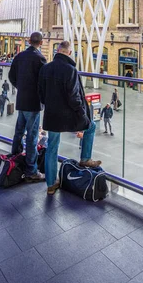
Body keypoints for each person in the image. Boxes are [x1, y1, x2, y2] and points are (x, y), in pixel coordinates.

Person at [39, 41, 101, 196]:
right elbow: (74, 97)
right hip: (68, 115)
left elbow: (41, 93)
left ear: (57, 51)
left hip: (52, 115)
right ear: (69, 53)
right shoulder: (70, 70)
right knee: (91, 126)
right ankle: (85, 158)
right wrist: (82, 114)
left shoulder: (45, 68)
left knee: (52, 148)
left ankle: (51, 185)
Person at [9, 32, 46, 183]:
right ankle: (31, 170)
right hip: (33, 102)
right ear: (41, 43)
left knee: (19, 130)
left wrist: (21, 87)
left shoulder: (19, 56)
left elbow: (11, 76)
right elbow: (44, 80)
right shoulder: (40, 58)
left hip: (22, 99)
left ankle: (14, 158)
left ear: (29, 41)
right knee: (32, 136)